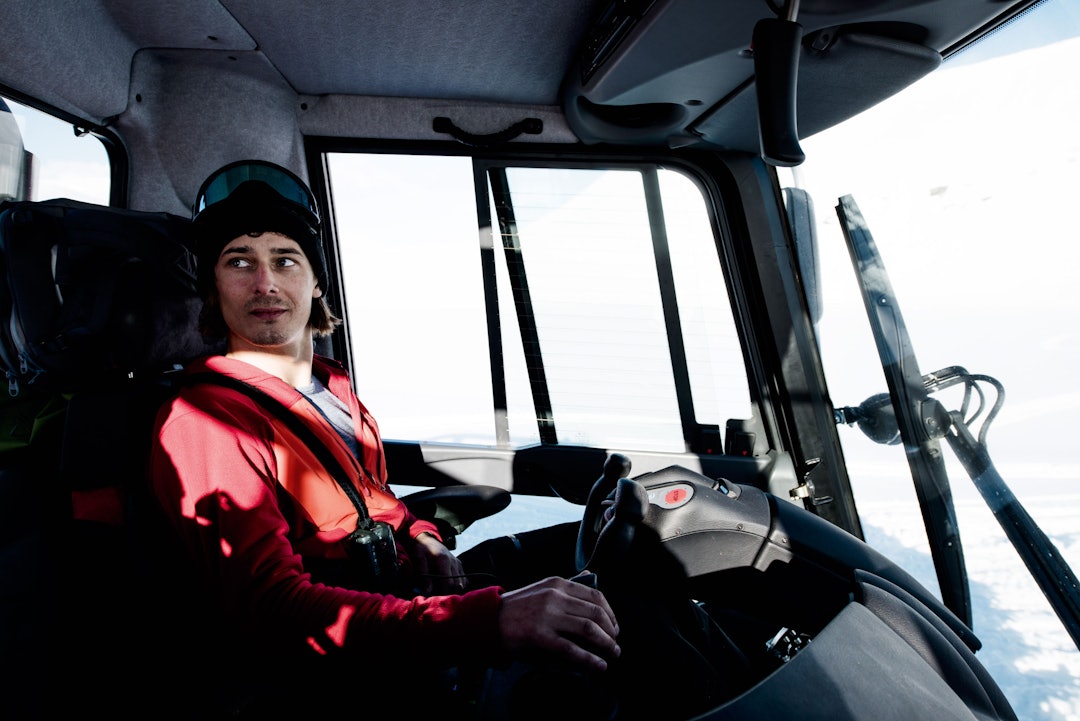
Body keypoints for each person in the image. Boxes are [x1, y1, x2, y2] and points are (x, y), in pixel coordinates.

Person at [148, 160, 621, 716]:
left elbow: (372, 504)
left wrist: (419, 533)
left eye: (285, 259)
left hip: (400, 596)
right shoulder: (207, 422)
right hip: (343, 671)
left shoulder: (330, 389)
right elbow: (270, 609)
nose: (265, 282)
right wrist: (487, 622)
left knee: (612, 564)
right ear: (213, 286)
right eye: (239, 262)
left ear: (315, 280)